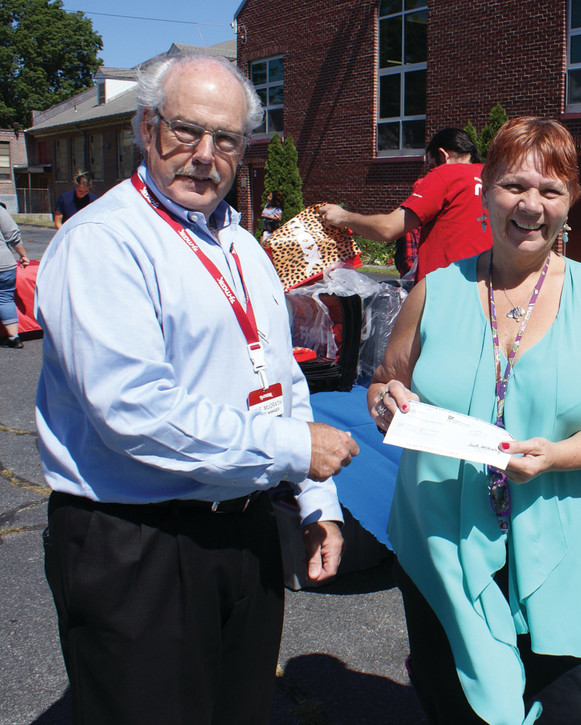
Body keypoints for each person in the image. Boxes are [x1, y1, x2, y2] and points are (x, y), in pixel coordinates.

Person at [36, 51, 359, 725]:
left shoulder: (242, 246)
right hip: (137, 541)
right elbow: (135, 414)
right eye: (186, 131)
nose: (204, 154)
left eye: (227, 139)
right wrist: (293, 452)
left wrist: (315, 501)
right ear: (147, 128)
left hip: (242, 532)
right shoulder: (105, 242)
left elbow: (281, 378)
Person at [372, 117, 581, 724]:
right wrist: (384, 399)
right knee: (458, 709)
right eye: (514, 186)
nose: (531, 204)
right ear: (484, 191)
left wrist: (557, 455)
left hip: (570, 547)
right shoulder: (435, 289)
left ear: (571, 205)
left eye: (551, 190)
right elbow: (386, 379)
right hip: (446, 546)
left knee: (577, 708)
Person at [321, 128, 491, 281]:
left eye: (432, 165)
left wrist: (342, 216)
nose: (431, 171)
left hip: (445, 293)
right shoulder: (492, 179)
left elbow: (387, 228)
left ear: (442, 155)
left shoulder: (446, 174)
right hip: (487, 292)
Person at [0, 204, 30, 348]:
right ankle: (14, 338)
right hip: (4, 263)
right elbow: (12, 234)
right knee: (5, 298)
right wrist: (23, 255)